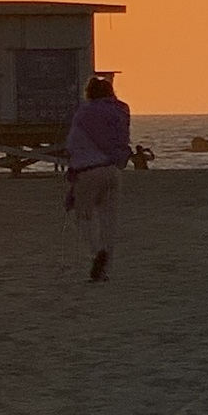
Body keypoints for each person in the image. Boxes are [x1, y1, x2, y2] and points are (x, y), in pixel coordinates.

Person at [65, 76, 131, 282]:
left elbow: (75, 145)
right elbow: (120, 141)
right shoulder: (120, 111)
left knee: (83, 216)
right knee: (109, 221)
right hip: (112, 169)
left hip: (88, 169)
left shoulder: (84, 113)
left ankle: (95, 253)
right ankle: (106, 267)